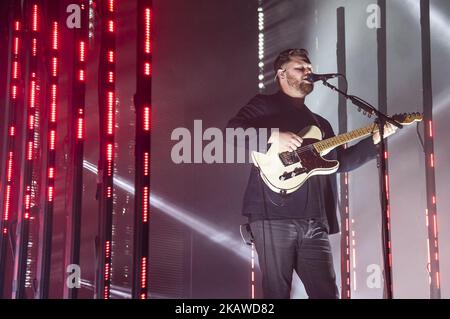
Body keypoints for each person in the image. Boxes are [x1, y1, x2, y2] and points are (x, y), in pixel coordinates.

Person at [226, 48, 397, 299]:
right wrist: (274, 136)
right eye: (301, 67)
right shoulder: (264, 104)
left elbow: (341, 162)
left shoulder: (321, 124)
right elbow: (233, 131)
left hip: (314, 221)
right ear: (281, 73)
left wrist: (376, 140)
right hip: (272, 215)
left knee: (327, 293)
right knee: (277, 293)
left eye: (310, 68)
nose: (309, 72)